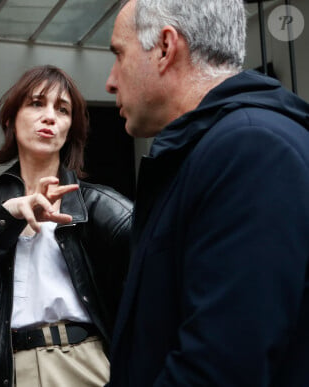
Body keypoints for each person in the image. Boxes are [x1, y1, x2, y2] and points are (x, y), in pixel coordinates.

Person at [105, 0, 309, 386]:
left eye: (119, 54)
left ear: (165, 48)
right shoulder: (213, 149)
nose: (110, 81)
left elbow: (220, 368)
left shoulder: (250, 148)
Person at [0, 65, 132, 387]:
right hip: (6, 368)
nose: (50, 116)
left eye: (62, 109)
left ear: (70, 128)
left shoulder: (99, 205)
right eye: (37, 103)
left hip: (83, 361)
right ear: (11, 118)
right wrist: (5, 221)